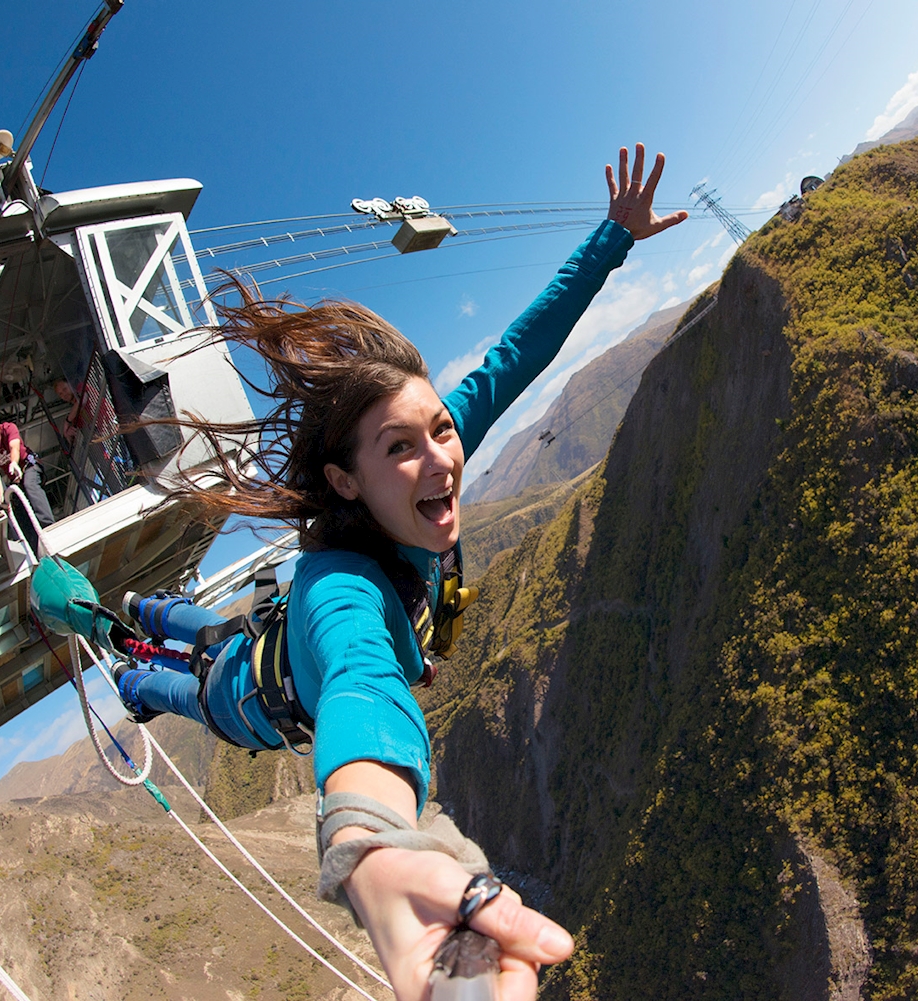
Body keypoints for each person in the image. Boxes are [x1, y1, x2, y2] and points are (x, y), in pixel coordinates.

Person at [116, 145, 685, 1000]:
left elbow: (521, 347)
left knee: (208, 631)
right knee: (185, 685)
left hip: (264, 640)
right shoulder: (339, 589)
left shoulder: (431, 458)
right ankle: (128, 663)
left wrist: (613, 237)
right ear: (346, 480)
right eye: (400, 447)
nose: (440, 458)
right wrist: (374, 837)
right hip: (253, 695)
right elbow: (359, 680)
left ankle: (149, 614)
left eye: (440, 430)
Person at [0, 403, 55, 543]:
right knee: (15, 505)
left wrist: (14, 462)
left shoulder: (8, 428)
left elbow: (14, 447)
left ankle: (48, 526)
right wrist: (1, 494)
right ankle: (33, 542)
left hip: (29, 466)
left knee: (30, 484)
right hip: (17, 480)